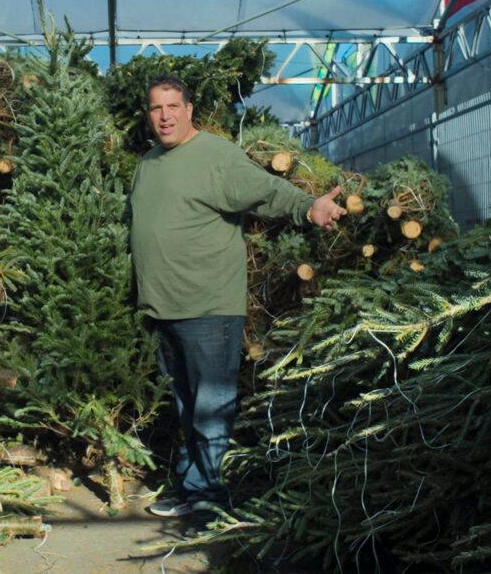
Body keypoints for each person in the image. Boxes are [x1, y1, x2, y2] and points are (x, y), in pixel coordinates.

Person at [128, 75, 345, 522]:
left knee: (210, 407)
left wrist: (309, 207)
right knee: (188, 405)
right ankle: (193, 487)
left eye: (172, 106)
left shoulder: (215, 155)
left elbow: (265, 191)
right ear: (149, 115)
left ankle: (209, 496)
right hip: (165, 306)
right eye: (155, 108)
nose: (164, 116)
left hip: (207, 307)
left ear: (189, 109)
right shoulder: (149, 161)